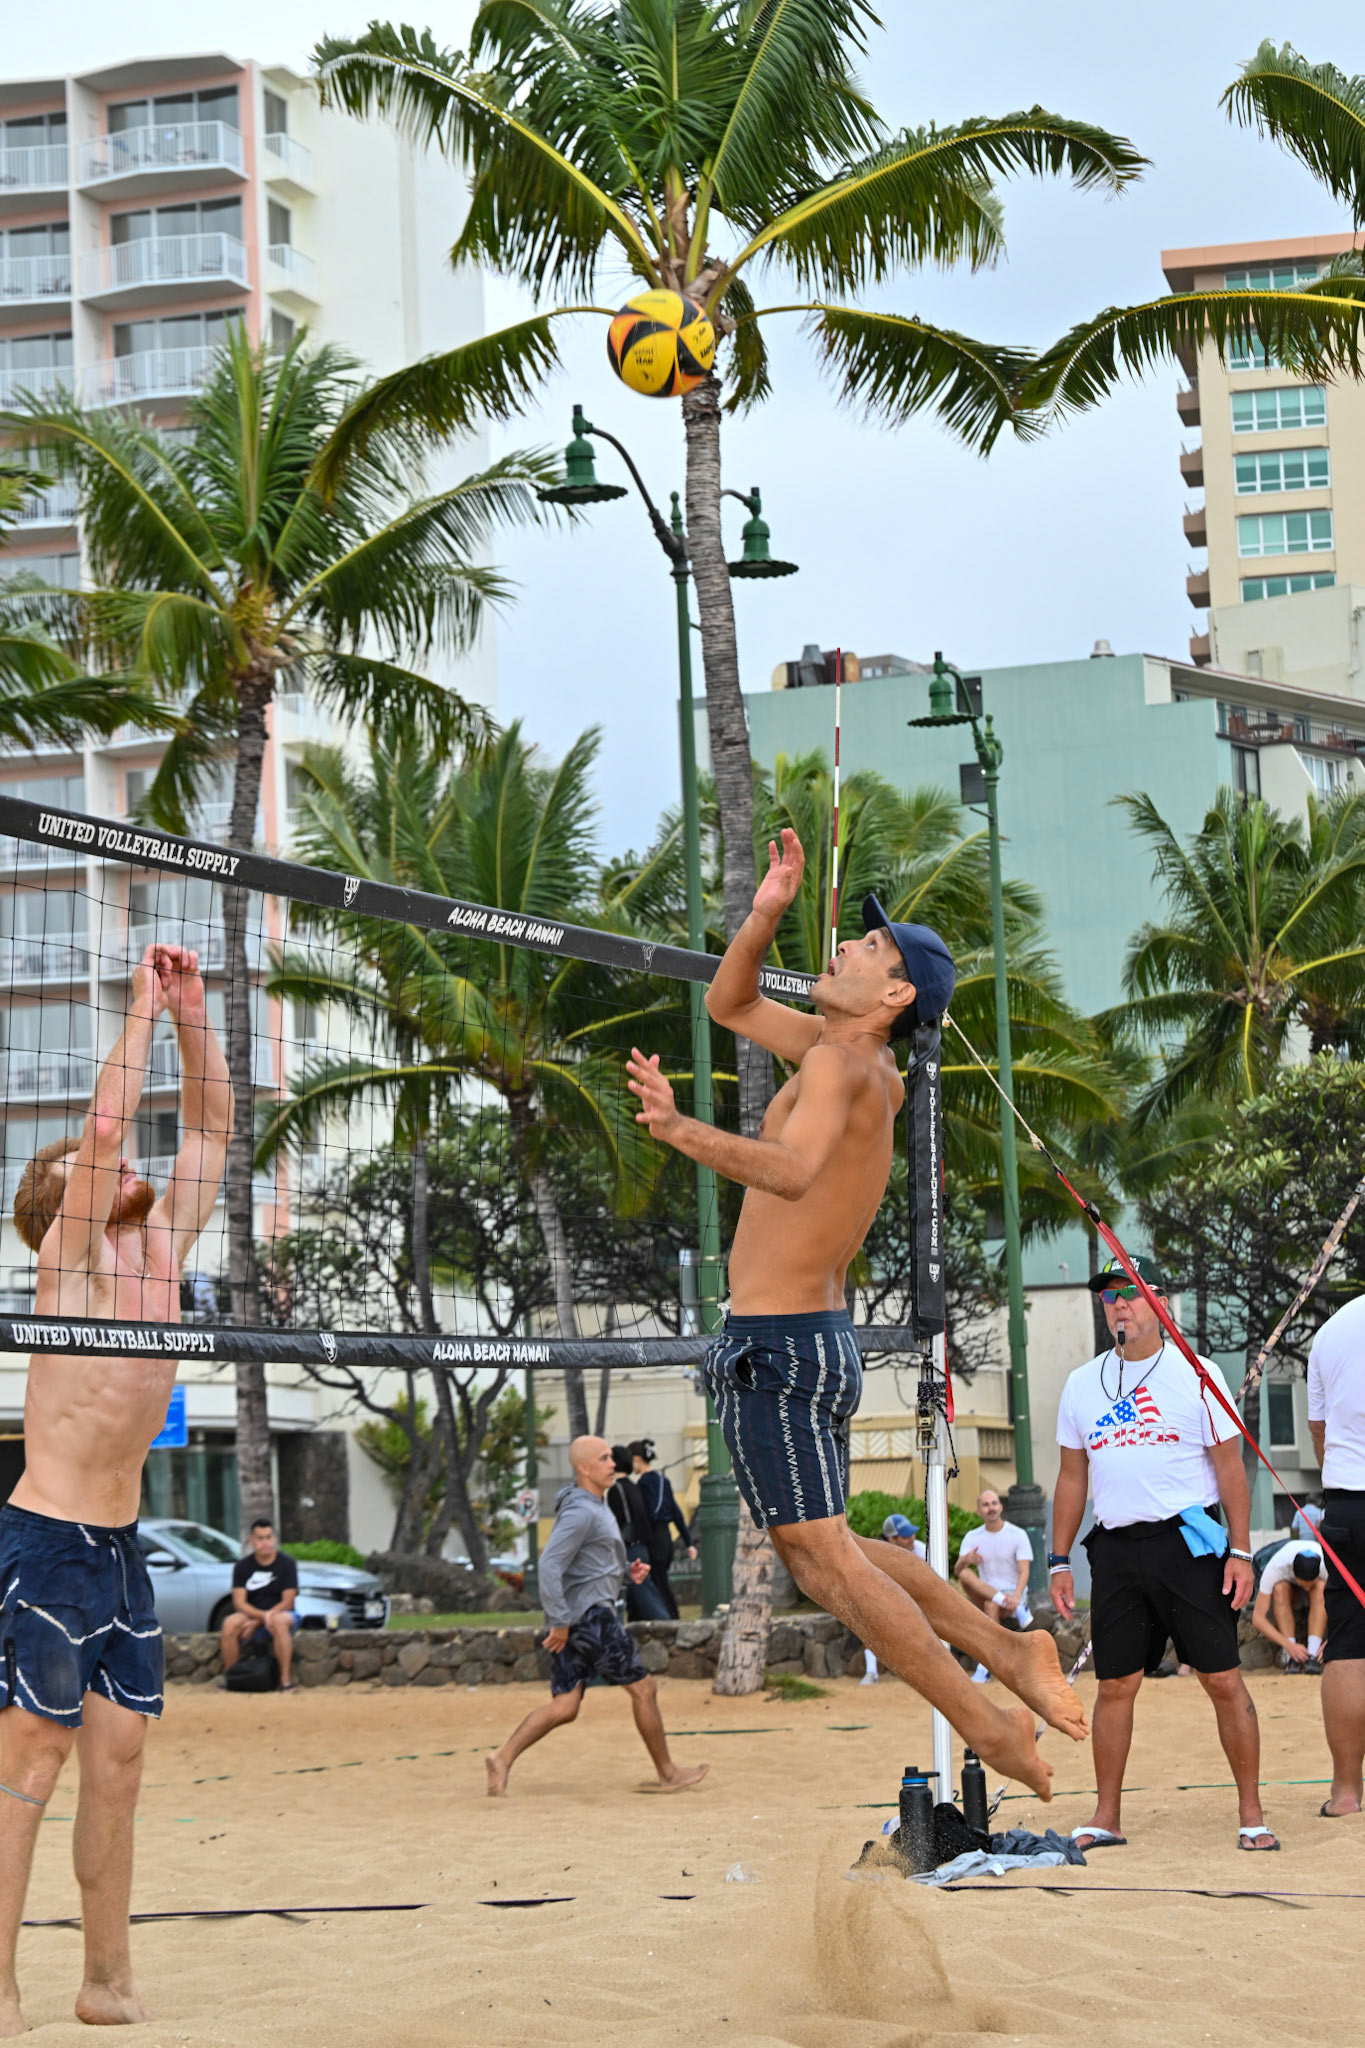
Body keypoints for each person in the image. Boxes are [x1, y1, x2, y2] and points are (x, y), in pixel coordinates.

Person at [625, 829, 1086, 1799]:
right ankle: (1010, 1654)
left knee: (830, 1567)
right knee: (837, 1550)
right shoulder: (847, 1054)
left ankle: (986, 1719)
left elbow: (791, 1175)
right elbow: (730, 1001)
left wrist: (677, 1128)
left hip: (782, 1347)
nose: (846, 945)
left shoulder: (846, 1068)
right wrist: (763, 916)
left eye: (870, 948)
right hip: (807, 1342)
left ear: (895, 994)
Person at [0, 943, 231, 2032]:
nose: (112, 1162)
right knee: (28, 1766)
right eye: (80, 1171)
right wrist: (139, 1009)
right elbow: (100, 1133)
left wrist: (193, 1015)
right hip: (45, 1537)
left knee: (121, 1765)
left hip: (122, 1547)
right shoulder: (70, 1263)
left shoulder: (163, 1246)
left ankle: (104, 1976)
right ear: (57, 1206)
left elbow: (214, 1129)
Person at [1051, 1255, 1277, 1852]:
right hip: (1117, 1550)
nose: (1117, 1305)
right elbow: (1072, 1477)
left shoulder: (1198, 1374)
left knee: (1222, 1679)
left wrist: (1242, 1551)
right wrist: (1056, 1559)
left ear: (1159, 1302)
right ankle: (1107, 1816)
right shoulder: (1082, 1383)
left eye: (1128, 1293)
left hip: (1188, 1544)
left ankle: (1251, 1813)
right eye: (1107, 1298)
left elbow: (1231, 1469)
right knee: (1116, 1685)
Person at [485, 1436, 709, 1797]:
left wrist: (623, 1570)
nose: (612, 1463)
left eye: (611, 1457)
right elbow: (549, 1564)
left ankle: (502, 1758)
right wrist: (559, 1621)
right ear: (583, 1468)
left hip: (578, 1616)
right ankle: (667, 1773)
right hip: (589, 1618)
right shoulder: (581, 1511)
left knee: (565, 1706)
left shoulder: (594, 1505)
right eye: (603, 1458)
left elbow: (585, 1563)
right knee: (644, 1688)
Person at [1307, 1294, 1365, 1816]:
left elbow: (1320, 1433)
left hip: (1350, 1501)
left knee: (1348, 1644)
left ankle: (1347, 1791)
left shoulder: (1333, 1330)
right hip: (1348, 1496)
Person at [956, 1490, 1034, 1684]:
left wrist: (1015, 1597)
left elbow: (1024, 1571)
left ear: (1000, 1506)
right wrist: (966, 1560)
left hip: (1011, 1592)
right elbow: (958, 1571)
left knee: (992, 1606)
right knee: (965, 1573)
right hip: (985, 1592)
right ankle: (1005, 1602)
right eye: (986, 1505)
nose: (991, 1508)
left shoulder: (1018, 1534)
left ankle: (985, 1667)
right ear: (978, 1511)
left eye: (994, 1503)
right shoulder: (973, 1536)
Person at [220, 1520, 301, 1692]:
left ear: (274, 1539)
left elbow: (288, 1601)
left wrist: (260, 1621)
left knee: (278, 1622)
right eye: (260, 1538)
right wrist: (262, 1617)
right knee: (229, 1623)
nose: (265, 1543)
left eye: (269, 1538)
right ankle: (232, 1678)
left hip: (281, 1613)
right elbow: (239, 1602)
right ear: (251, 1541)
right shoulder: (242, 1566)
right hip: (251, 1613)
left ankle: (285, 1681)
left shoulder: (287, 1564)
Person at [629, 1438, 696, 1619]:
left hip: (653, 1538)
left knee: (657, 1582)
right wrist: (688, 1542)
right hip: (666, 1538)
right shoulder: (663, 1481)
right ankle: (661, 1616)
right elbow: (676, 1512)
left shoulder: (642, 1484)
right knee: (660, 1579)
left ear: (636, 1459)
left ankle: (671, 1618)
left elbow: (648, 1514)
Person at [606, 1448, 670, 1623]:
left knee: (643, 1590)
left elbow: (619, 1520)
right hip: (642, 1543)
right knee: (642, 1589)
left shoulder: (616, 1490)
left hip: (629, 1545)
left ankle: (663, 1622)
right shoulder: (634, 1487)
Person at [860, 1516, 926, 1684]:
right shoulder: (877, 1556)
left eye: (912, 1534)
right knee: (869, 1615)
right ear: (891, 1539)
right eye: (906, 1536)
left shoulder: (922, 1550)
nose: (912, 1538)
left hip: (919, 1600)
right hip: (888, 1601)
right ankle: (871, 1671)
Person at [1250, 1540, 1326, 1672]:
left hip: (1318, 1592)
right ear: (1291, 1569)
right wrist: (1289, 1645)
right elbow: (1257, 1618)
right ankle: (1291, 1656)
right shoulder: (1276, 1566)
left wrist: (1332, 1641)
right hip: (1289, 1592)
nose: (1306, 1589)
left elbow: (1348, 1607)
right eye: (1303, 1585)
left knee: (1320, 1587)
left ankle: (1313, 1655)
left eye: (1310, 1585)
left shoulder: (1327, 1567)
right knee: (1280, 1589)